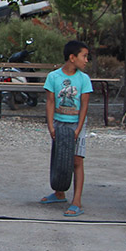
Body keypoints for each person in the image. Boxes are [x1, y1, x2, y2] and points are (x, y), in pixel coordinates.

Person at [39, 40, 92, 217]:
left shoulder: (84, 79)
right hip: (59, 122)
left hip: (76, 123)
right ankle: (59, 193)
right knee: (59, 156)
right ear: (72, 57)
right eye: (84, 56)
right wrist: (50, 126)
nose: (86, 60)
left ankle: (76, 200)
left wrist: (78, 129)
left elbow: (84, 105)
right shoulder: (53, 77)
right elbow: (50, 102)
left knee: (77, 160)